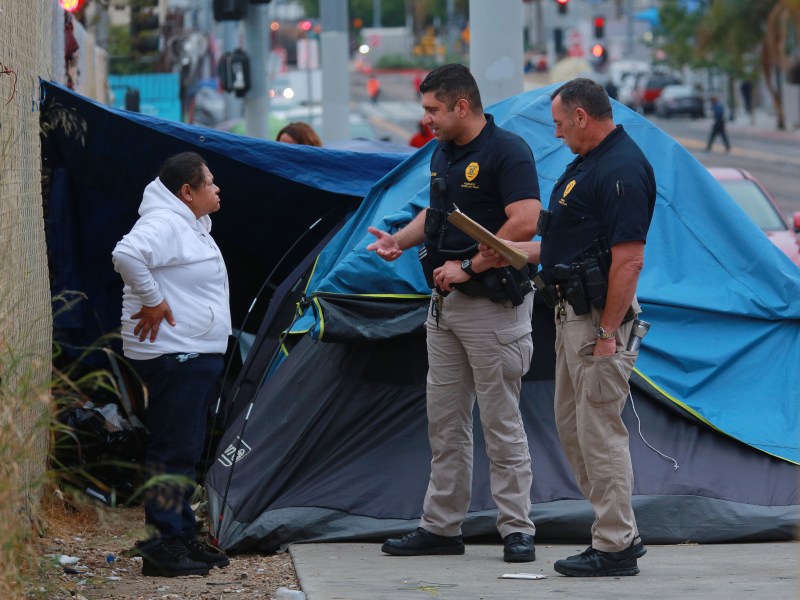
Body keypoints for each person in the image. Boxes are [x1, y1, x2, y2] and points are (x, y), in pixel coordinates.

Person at [367, 63, 541, 563]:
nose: (427, 120)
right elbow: (438, 212)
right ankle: (442, 527)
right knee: (445, 422)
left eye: (433, 110)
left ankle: (517, 529)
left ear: (462, 106)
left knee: (502, 422)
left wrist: (468, 265)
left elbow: (525, 221)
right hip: (445, 310)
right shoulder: (445, 153)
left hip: (493, 307)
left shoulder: (507, 151)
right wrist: (399, 241)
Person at [481, 77, 655, 577]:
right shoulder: (588, 164)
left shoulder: (621, 169)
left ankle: (615, 545)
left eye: (559, 124)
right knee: (574, 431)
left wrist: (606, 335)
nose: (556, 135)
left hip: (598, 320)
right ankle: (618, 529)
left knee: (599, 432)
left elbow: (629, 261)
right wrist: (505, 255)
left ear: (581, 116)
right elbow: (564, 243)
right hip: (570, 314)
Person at [112, 152, 232, 577]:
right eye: (210, 183)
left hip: (193, 352)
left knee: (186, 449)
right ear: (187, 191)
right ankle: (162, 547)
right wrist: (154, 300)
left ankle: (180, 536)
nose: (217, 189)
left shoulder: (189, 224)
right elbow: (126, 255)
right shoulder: (164, 223)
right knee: (172, 450)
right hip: (174, 354)